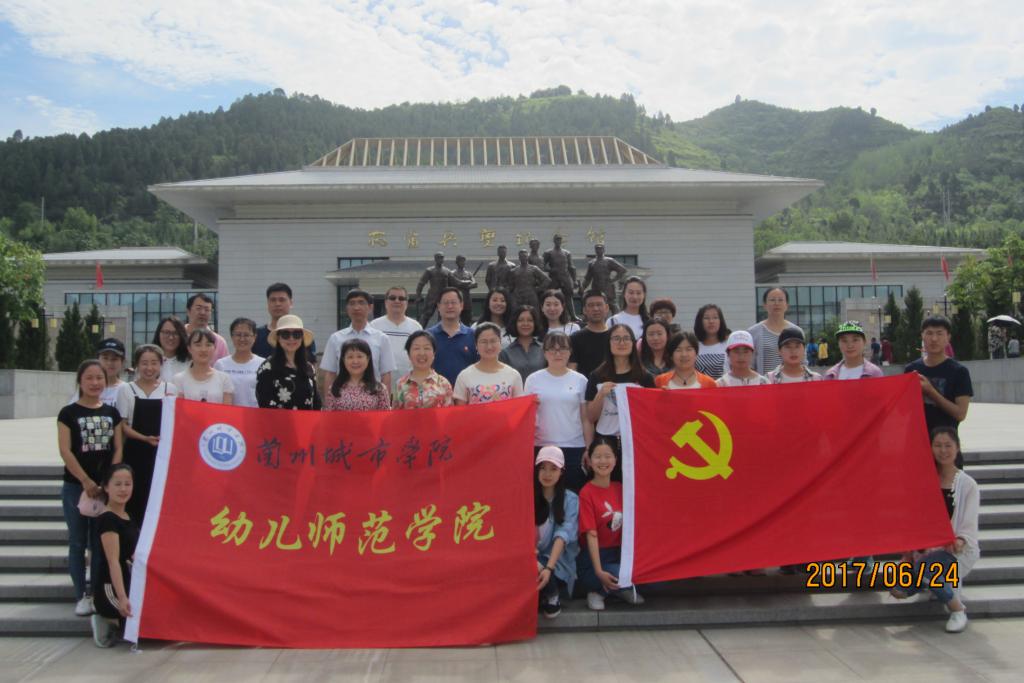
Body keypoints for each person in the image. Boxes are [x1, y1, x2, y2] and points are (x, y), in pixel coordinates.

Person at [890, 427, 979, 633]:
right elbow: (914, 520)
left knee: (928, 567)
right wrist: (907, 553)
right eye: (938, 445)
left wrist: (959, 540)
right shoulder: (924, 480)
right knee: (898, 589)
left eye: (948, 445)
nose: (943, 450)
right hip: (926, 550)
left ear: (957, 448)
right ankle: (930, 582)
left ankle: (957, 610)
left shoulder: (968, 485)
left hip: (956, 551)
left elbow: (969, 524)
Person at [57, 360, 124, 617]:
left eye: (99, 378)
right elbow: (65, 450)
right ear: (80, 381)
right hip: (76, 487)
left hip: (104, 489)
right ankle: (80, 595)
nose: (95, 383)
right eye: (89, 378)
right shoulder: (68, 413)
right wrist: (85, 480)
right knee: (77, 541)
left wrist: (109, 481)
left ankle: (96, 594)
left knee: (99, 543)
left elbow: (117, 448)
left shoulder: (111, 412)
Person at [577, 437, 643, 611]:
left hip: (618, 555)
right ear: (589, 461)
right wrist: (599, 571)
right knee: (619, 573)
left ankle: (613, 589)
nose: (603, 461)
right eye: (597, 456)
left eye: (608, 456)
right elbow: (591, 535)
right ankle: (598, 590)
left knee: (647, 575)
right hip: (593, 559)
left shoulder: (620, 487)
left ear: (615, 460)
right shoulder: (586, 493)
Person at [114, 345, 176, 524]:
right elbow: (123, 425)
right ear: (137, 365)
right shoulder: (126, 389)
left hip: (162, 454)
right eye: (144, 363)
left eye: (154, 363)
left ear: (161, 364)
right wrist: (144, 438)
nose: (149, 368)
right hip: (135, 452)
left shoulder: (170, 388)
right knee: (136, 499)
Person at [524, 332, 592, 492]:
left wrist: (589, 448)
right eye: (552, 349)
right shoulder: (533, 380)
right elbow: (525, 417)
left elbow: (586, 418)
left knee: (572, 494)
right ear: (544, 352)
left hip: (574, 446)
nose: (557, 353)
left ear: (570, 352)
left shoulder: (580, 380)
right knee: (543, 495)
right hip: (542, 445)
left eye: (562, 349)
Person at [904, 316, 973, 466]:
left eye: (939, 333)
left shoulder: (959, 372)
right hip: (918, 446)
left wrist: (931, 391)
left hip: (946, 448)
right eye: (929, 333)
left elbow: (960, 414)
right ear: (922, 336)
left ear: (948, 338)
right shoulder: (911, 370)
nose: (934, 339)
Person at [90, 464, 138, 648]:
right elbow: (113, 562)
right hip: (110, 586)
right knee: (134, 618)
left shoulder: (128, 516)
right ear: (106, 487)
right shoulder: (108, 519)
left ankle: (118, 623)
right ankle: (106, 619)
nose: (123, 489)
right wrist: (122, 597)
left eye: (127, 484)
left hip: (128, 580)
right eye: (117, 484)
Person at [586, 324, 656, 449]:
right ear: (609, 343)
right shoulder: (597, 376)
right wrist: (600, 395)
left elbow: (653, 413)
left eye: (626, 338)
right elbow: (591, 417)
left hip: (636, 440)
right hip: (606, 441)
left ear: (633, 343)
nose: (621, 343)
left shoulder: (645, 377)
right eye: (616, 338)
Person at [321, 289, 396, 398]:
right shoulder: (336, 338)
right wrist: (328, 404)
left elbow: (386, 375)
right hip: (342, 400)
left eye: (361, 302)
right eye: (352, 303)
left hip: (372, 400)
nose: (356, 307)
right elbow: (330, 374)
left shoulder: (382, 339)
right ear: (347, 309)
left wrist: (384, 403)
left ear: (370, 307)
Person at [534, 447, 580, 619]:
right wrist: (534, 562)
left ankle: (552, 594)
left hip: (557, 565)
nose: (547, 474)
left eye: (553, 469)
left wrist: (547, 568)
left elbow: (563, 535)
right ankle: (545, 595)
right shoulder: (527, 496)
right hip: (530, 561)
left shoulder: (570, 499)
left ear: (562, 472)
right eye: (543, 468)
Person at [255, 315, 321, 410]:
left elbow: (316, 402)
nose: (291, 338)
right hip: (277, 419)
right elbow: (264, 405)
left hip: (307, 419)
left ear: (302, 338)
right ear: (278, 338)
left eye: (296, 334)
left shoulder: (309, 368)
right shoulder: (267, 367)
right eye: (285, 334)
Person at [453, 323, 524, 404]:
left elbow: (520, 407)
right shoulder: (464, 376)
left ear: (500, 343)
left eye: (493, 341)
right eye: (483, 342)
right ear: (476, 345)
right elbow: (460, 410)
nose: (489, 346)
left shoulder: (514, 375)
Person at [370, 286, 422, 392]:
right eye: (392, 298)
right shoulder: (374, 326)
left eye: (401, 298)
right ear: (386, 302)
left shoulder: (416, 327)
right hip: (379, 386)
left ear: (407, 303)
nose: (397, 301)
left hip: (409, 387)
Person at [252, 283, 318, 359]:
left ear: (291, 303)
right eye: (273, 300)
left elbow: (311, 363)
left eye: (282, 300)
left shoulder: (302, 335)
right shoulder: (256, 336)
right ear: (268, 303)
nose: (277, 304)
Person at [428, 287, 479, 385]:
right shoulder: (428, 336)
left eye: (453, 302)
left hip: (466, 391)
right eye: (446, 303)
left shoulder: (474, 336)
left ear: (461, 305)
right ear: (438, 306)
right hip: (435, 391)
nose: (450, 306)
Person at [324, 339, 391, 411]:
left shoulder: (379, 389)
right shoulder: (334, 388)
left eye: (359, 356)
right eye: (350, 357)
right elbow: (329, 415)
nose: (355, 361)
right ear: (343, 360)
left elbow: (385, 416)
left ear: (368, 359)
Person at [392, 331, 454, 409]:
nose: (422, 353)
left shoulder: (443, 383)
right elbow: (395, 414)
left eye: (426, 348)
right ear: (408, 354)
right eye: (416, 348)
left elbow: (449, 414)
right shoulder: (400, 384)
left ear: (434, 353)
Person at [172, 329, 235, 404]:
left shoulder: (224, 379)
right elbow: (178, 408)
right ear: (189, 348)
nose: (203, 349)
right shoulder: (179, 379)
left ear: (214, 348)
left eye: (208, 345)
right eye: (198, 345)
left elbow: (227, 409)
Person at [748, 288, 802, 374]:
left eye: (780, 300)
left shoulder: (797, 331)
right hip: (764, 381)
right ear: (765, 305)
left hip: (791, 381)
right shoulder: (753, 332)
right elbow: (750, 365)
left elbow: (803, 362)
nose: (776, 303)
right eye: (772, 300)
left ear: (787, 305)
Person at [214, 318, 264, 408]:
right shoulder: (221, 364)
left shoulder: (262, 364)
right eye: (238, 335)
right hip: (229, 415)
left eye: (246, 335)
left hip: (256, 414)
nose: (242, 339)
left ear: (254, 337)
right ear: (232, 337)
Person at [570, 290, 612, 379]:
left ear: (607, 308)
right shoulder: (575, 338)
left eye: (599, 304)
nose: (595, 309)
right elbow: (572, 370)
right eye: (591, 305)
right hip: (584, 385)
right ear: (584, 310)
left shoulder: (614, 337)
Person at [499, 306, 546, 381]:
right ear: (515, 323)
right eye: (520, 320)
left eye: (530, 320)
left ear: (535, 323)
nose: (525, 324)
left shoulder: (544, 350)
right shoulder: (505, 353)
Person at [579, 244, 627, 313]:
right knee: (598, 305)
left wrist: (613, 280)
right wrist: (583, 288)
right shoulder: (592, 263)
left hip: (607, 287)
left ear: (604, 250)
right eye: (597, 249)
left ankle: (618, 319)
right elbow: (588, 278)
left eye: (600, 249)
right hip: (596, 289)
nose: (599, 250)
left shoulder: (609, 260)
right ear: (595, 250)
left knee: (612, 304)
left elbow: (622, 270)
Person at [543, 235, 580, 320]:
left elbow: (571, 267)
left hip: (565, 276)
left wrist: (574, 280)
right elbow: (542, 265)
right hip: (554, 277)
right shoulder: (548, 252)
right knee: (550, 296)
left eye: (559, 240)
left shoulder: (567, 253)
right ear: (554, 241)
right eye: (557, 240)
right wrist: (551, 270)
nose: (558, 241)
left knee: (568, 296)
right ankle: (547, 315)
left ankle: (573, 316)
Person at [184, 293, 229, 363]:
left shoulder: (219, 342)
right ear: (188, 311)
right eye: (198, 308)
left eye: (207, 310)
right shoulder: (177, 337)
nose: (202, 313)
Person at [693, 304, 731, 379]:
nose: (711, 321)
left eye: (715, 317)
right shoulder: (693, 346)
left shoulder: (729, 345)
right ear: (700, 321)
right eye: (706, 318)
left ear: (721, 321)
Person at [415, 252, 454, 326]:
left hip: (443, 297)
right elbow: (421, 283)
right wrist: (418, 295)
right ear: (435, 259)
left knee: (442, 316)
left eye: (442, 257)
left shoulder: (447, 271)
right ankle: (419, 330)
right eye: (439, 257)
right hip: (432, 297)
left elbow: (453, 284)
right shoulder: (429, 270)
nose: (441, 259)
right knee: (426, 315)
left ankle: (440, 331)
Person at [153, 317, 190, 382]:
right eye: (166, 332)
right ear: (158, 334)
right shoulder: (149, 362)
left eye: (176, 333)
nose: (171, 337)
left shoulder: (190, 363)